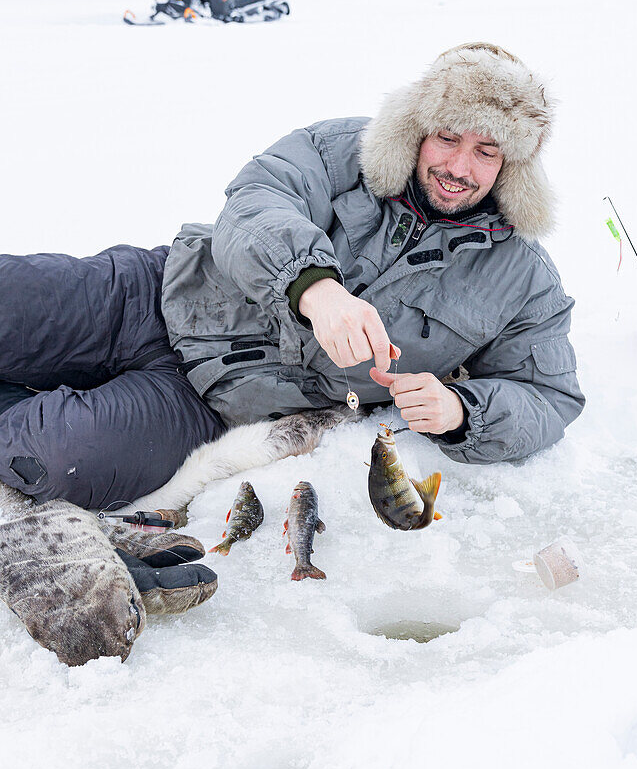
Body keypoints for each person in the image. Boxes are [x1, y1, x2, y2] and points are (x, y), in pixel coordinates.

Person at [0, 41, 584, 663]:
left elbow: (549, 397)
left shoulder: (524, 279)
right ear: (416, 126)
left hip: (212, 400)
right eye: (447, 138)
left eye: (486, 151)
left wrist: (464, 410)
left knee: (47, 458)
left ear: (513, 164)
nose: (459, 166)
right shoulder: (340, 150)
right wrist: (316, 288)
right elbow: (256, 201)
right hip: (157, 290)